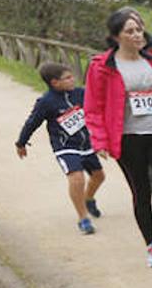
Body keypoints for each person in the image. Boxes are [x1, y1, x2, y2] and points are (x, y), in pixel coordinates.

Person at [83, 9, 152, 268]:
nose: (137, 35)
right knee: (141, 192)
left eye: (139, 29)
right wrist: (99, 141)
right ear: (116, 37)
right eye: (130, 31)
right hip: (127, 138)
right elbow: (94, 107)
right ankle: (151, 246)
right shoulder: (103, 67)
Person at [15, 62, 106, 234]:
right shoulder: (46, 102)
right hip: (65, 147)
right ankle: (83, 218)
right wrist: (21, 142)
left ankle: (89, 198)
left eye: (72, 76)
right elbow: (32, 123)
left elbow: (98, 109)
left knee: (99, 177)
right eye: (68, 78)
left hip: (87, 144)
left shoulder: (81, 93)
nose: (73, 80)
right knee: (77, 178)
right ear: (54, 82)